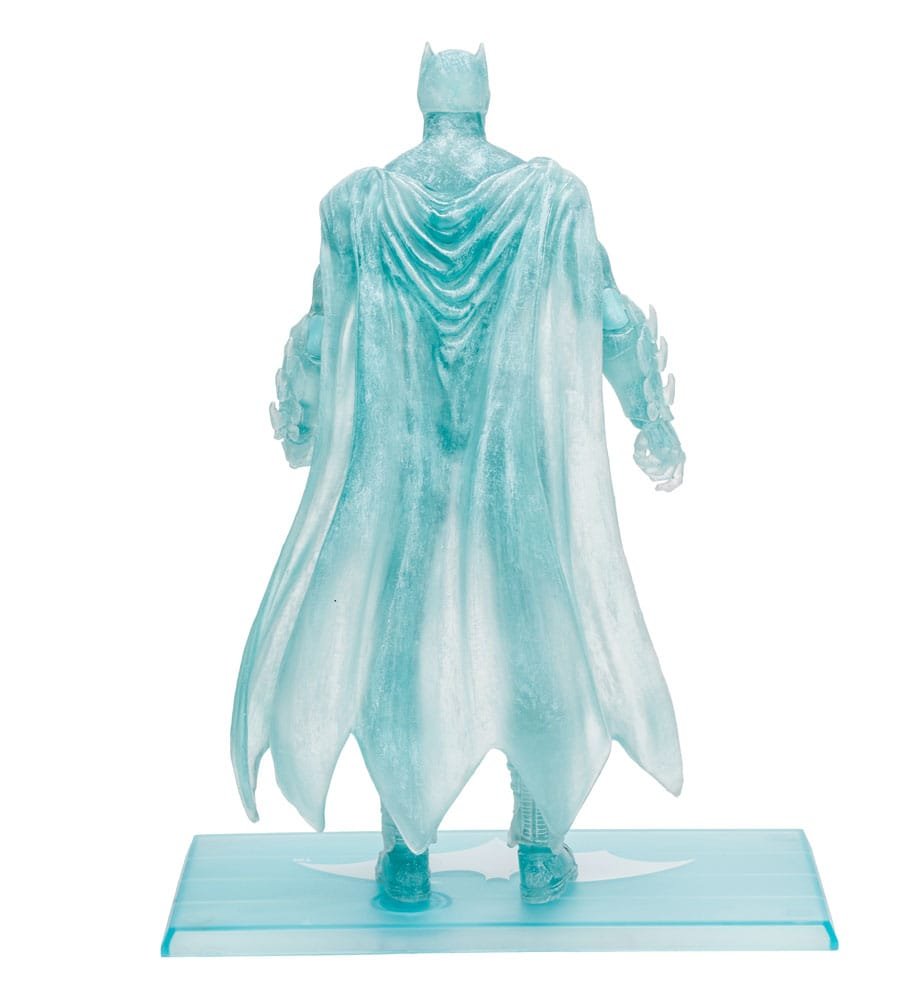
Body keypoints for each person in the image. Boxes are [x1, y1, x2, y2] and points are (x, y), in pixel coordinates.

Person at [231, 45, 686, 905]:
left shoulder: (360, 207)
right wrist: (651, 418)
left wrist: (300, 418)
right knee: (537, 645)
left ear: (422, 99)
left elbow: (321, 334)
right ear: (485, 100)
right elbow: (612, 321)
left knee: (398, 652)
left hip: (404, 486)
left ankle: (407, 858)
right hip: (513, 480)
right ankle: (538, 850)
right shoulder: (550, 200)